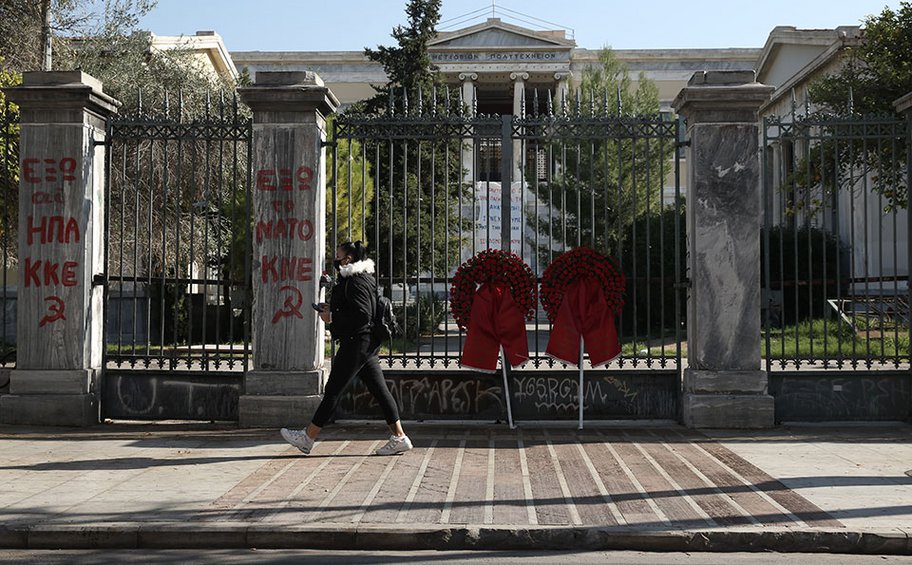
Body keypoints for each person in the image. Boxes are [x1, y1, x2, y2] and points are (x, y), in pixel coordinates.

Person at [280, 241, 413, 456]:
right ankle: (399, 436)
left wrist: (331, 317)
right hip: (365, 344)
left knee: (333, 391)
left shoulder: (355, 281)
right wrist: (332, 309)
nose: (335, 258)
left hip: (356, 343)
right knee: (380, 391)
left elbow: (363, 315)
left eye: (338, 255)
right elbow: (358, 308)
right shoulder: (361, 278)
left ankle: (308, 437)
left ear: (348, 259)